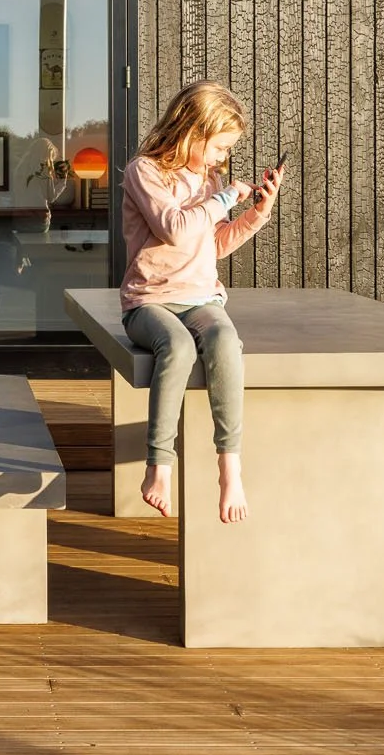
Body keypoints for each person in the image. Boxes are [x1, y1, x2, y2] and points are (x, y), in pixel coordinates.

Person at [120, 80, 285, 523]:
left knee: (226, 342)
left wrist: (256, 213)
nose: (221, 159)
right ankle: (159, 464)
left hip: (201, 297)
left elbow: (213, 243)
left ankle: (229, 464)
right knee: (175, 347)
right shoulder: (145, 172)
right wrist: (226, 197)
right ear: (193, 131)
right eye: (218, 148)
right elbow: (174, 226)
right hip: (149, 301)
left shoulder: (210, 180)